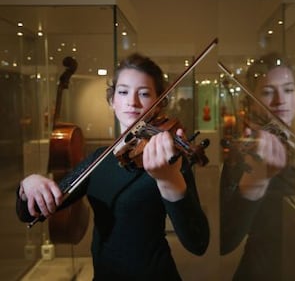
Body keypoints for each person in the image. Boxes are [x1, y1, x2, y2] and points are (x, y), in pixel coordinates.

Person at [16, 53, 210, 280]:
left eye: (145, 93)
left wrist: (170, 181)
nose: (132, 102)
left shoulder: (170, 161)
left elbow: (198, 243)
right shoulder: (100, 158)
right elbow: (31, 213)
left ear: (159, 103)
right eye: (123, 91)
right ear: (112, 101)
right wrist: (28, 185)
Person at [220, 53, 295, 280]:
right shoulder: (245, 154)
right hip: (264, 270)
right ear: (252, 101)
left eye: (288, 90)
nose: (280, 101)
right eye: (268, 92)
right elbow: (226, 239)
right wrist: (253, 185)